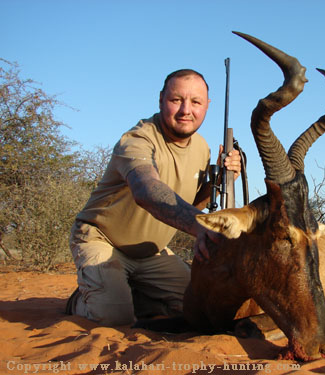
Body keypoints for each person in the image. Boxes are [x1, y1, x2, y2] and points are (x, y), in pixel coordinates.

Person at [65, 69, 241, 326]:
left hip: (151, 253)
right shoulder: (137, 140)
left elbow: (189, 206)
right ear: (161, 100)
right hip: (103, 240)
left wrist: (221, 180)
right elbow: (146, 190)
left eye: (195, 102)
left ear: (207, 106)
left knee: (201, 306)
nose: (185, 110)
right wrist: (202, 226)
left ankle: (124, 291)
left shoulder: (202, 147)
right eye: (176, 100)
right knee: (114, 317)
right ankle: (81, 300)